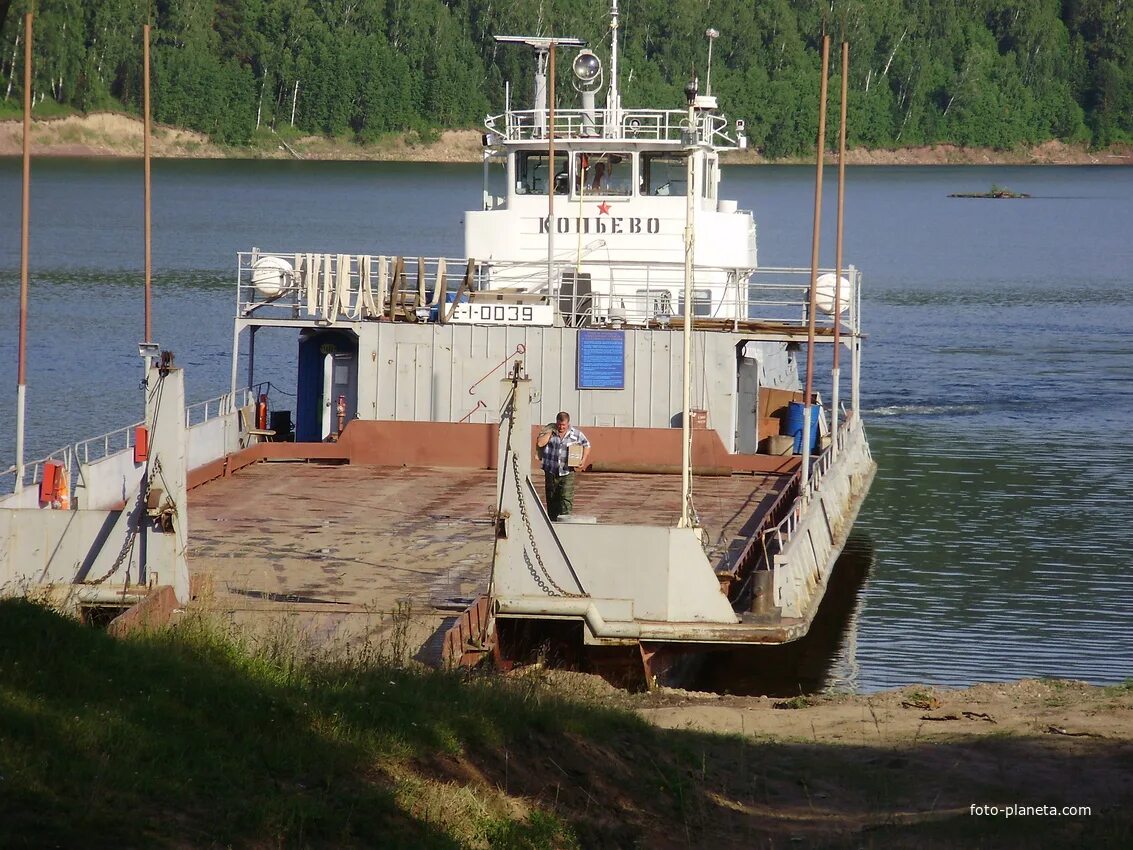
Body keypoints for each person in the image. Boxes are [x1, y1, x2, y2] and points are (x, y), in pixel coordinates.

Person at [536, 411, 592, 521]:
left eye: (563, 425)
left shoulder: (576, 434)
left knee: (566, 499)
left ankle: (566, 523)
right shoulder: (549, 432)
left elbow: (587, 445)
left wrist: (583, 459)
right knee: (552, 499)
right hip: (551, 471)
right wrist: (549, 433)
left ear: (568, 423)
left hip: (567, 472)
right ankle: (553, 523)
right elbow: (540, 443)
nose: (561, 427)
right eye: (559, 425)